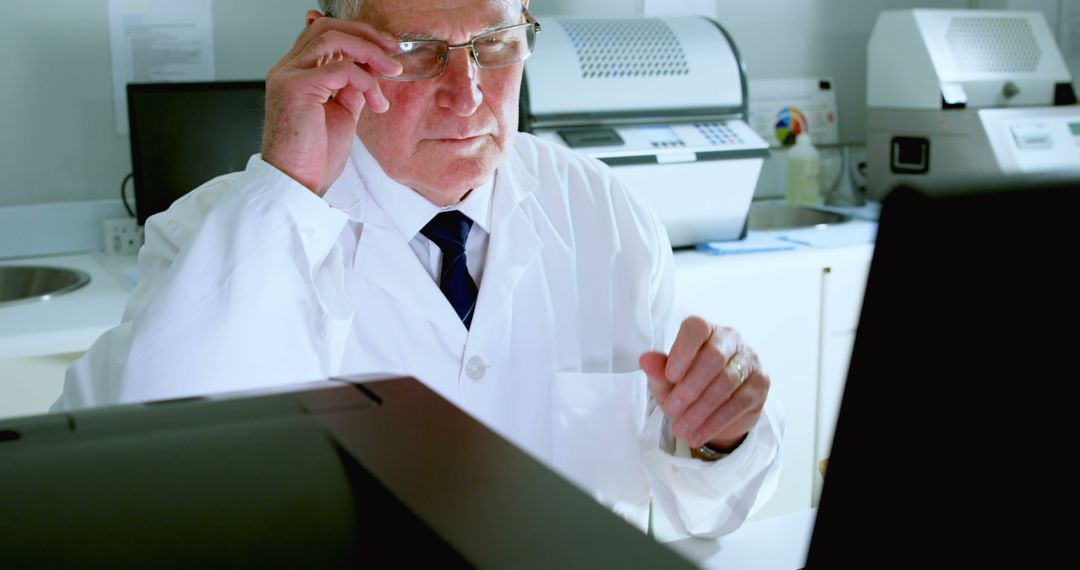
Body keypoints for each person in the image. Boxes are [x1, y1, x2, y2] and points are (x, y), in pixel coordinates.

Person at [55, 0, 783, 538]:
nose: (466, 94)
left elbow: (705, 509)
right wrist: (290, 186)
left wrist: (721, 434)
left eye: (495, 44)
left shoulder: (605, 214)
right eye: (414, 49)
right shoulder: (221, 232)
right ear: (329, 49)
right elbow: (136, 475)